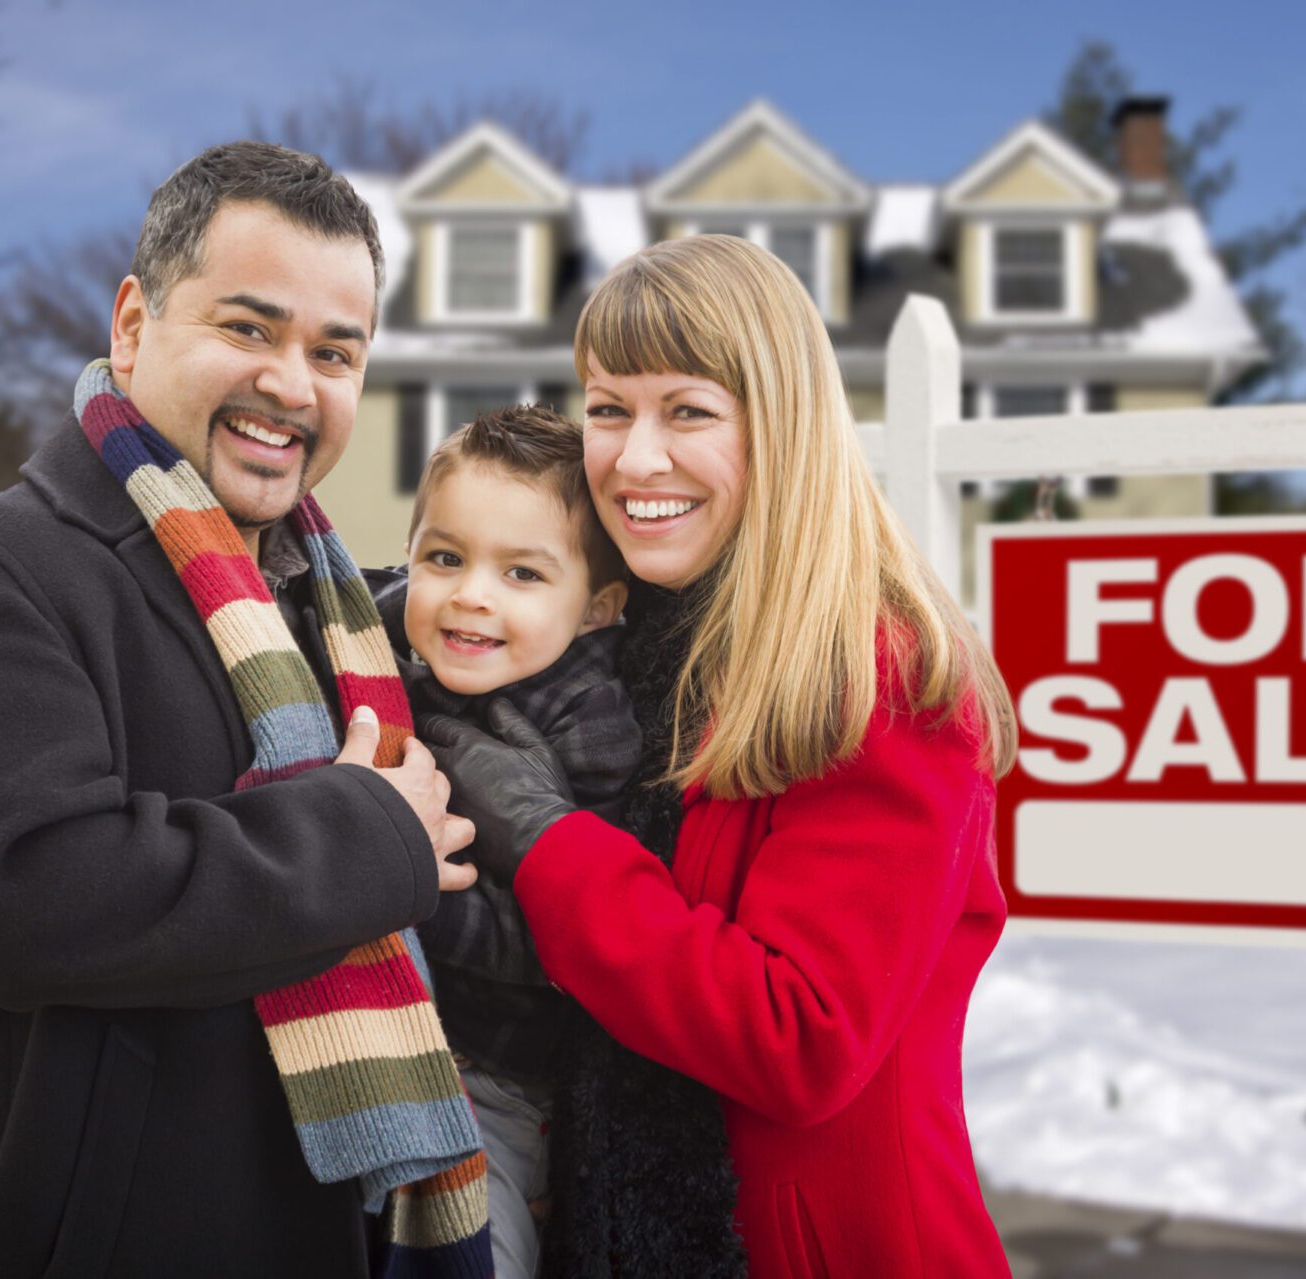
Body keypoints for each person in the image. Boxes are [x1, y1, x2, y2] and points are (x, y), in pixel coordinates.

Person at [0, 142, 495, 1278]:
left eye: (333, 351)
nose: (292, 385)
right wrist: (365, 831)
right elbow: (19, 897)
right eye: (247, 329)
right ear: (132, 324)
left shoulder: (345, 611)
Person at [432, 233, 1020, 1278]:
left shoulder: (878, 676)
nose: (634, 457)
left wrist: (544, 836)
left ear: (779, 426)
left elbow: (800, 1036)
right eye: (608, 408)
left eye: (687, 410)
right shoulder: (641, 642)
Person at [366, 404, 637, 1278]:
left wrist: (410, 893)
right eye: (445, 557)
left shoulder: (589, 723)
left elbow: (564, 942)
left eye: (522, 573)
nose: (471, 593)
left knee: (469, 1248)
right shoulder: (373, 655)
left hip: (500, 1076)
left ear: (596, 607)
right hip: (377, 1043)